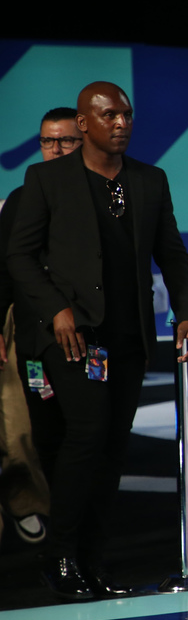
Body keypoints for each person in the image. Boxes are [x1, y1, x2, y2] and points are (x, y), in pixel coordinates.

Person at [7, 82, 188, 599]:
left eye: (127, 115)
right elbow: (19, 256)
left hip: (129, 335)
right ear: (84, 122)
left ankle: (92, 561)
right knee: (88, 433)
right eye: (110, 115)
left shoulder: (150, 180)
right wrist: (57, 309)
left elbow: (173, 253)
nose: (121, 123)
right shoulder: (47, 179)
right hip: (73, 336)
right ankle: (60, 557)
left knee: (113, 446)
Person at [0, 108, 80, 546]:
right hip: (26, 327)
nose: (56, 149)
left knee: (76, 429)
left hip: (83, 329)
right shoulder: (20, 198)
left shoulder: (99, 196)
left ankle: (59, 514)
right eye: (49, 141)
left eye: (66, 140)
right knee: (22, 425)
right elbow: (3, 268)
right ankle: (28, 502)